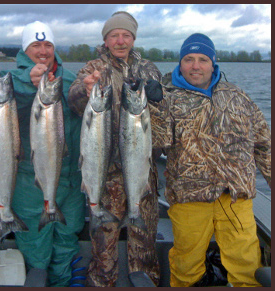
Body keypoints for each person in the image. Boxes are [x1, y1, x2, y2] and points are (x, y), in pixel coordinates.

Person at [154, 33, 271, 287]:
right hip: (189, 197)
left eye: (203, 59)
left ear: (213, 63)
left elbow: (265, 144)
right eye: (189, 59)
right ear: (180, 62)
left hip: (236, 197)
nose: (195, 66)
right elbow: (155, 146)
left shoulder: (237, 96)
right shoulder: (165, 96)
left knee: (247, 265)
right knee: (186, 266)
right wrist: (150, 107)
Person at [68, 11, 165, 287]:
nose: (120, 40)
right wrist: (83, 90)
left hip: (142, 171)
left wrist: (160, 96)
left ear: (133, 38)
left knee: (144, 244)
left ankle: (145, 281)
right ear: (106, 39)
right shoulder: (93, 67)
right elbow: (73, 100)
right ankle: (102, 282)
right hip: (105, 172)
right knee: (103, 246)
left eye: (126, 35)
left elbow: (165, 113)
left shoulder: (149, 68)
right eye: (114, 35)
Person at [0, 21, 86, 287]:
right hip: (31, 182)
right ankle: (38, 282)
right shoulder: (11, 80)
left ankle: (61, 283)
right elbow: (9, 96)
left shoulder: (71, 80)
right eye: (35, 45)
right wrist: (29, 81)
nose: (43, 50)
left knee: (67, 240)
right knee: (35, 245)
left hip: (69, 180)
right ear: (25, 50)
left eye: (47, 44)